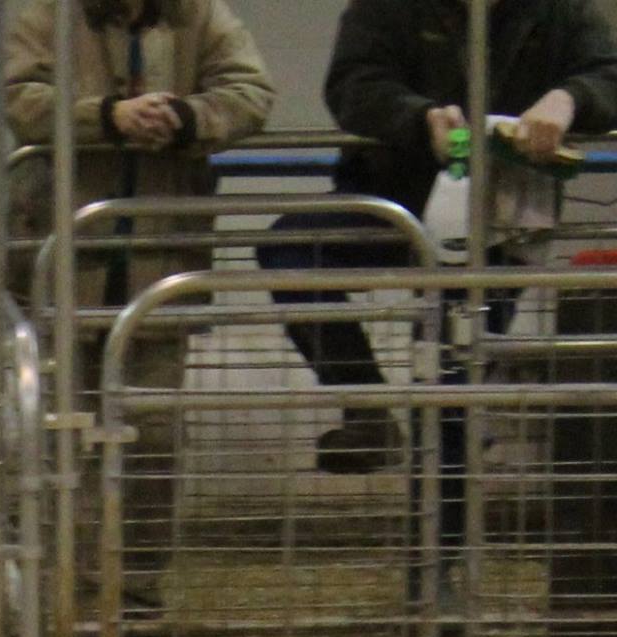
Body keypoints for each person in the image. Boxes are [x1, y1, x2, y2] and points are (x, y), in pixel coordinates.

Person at [255, 0, 617, 531]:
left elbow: (608, 72)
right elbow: (354, 84)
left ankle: (436, 575)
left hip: (498, 220)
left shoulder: (560, 9)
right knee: (292, 249)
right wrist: (418, 116)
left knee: (452, 394)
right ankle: (367, 404)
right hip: (391, 198)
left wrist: (570, 99)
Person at [5, 0, 275, 612]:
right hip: (60, 256)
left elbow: (252, 93)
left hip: (161, 255)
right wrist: (106, 116)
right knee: (54, 430)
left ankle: (136, 589)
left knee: (151, 435)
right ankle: (52, 586)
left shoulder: (201, 16)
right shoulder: (48, 17)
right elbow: (20, 99)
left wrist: (186, 117)